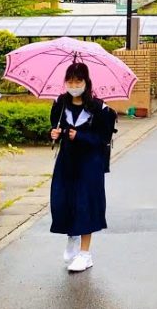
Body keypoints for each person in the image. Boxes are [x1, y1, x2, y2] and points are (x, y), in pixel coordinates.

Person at [50, 62, 115, 273]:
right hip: (67, 162)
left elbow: (103, 138)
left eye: (78, 81)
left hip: (90, 164)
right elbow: (54, 127)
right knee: (63, 200)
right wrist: (53, 134)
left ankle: (85, 254)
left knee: (86, 204)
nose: (74, 85)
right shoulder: (60, 103)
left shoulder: (99, 108)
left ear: (86, 82)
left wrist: (81, 136)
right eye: (70, 81)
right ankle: (72, 235)